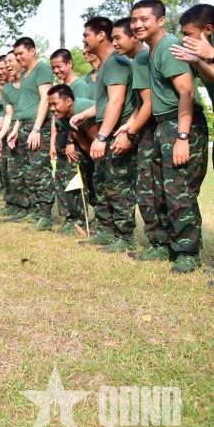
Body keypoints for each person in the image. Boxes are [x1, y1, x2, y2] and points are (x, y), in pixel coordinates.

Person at [131, 0, 208, 274]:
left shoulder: (169, 46)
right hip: (164, 124)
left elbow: (186, 93)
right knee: (161, 189)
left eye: (144, 19)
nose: (137, 24)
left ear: (161, 21)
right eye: (134, 20)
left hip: (181, 122)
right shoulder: (151, 52)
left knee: (179, 189)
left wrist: (183, 136)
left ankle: (187, 252)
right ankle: (164, 243)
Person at [74, 17, 137, 252]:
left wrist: (101, 136)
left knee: (117, 186)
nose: (83, 39)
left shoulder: (116, 62)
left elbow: (117, 100)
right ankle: (107, 230)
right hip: (107, 131)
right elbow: (104, 102)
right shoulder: (103, 65)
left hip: (116, 132)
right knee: (101, 183)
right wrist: (86, 114)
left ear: (101, 35)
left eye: (86, 35)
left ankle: (125, 237)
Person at [112, 18, 160, 259]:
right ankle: (161, 244)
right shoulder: (138, 59)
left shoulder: (141, 58)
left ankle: (164, 245)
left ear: (133, 36)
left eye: (118, 37)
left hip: (156, 130)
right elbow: (141, 105)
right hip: (148, 128)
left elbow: (149, 104)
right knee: (149, 189)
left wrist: (130, 131)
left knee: (151, 189)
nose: (114, 43)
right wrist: (128, 125)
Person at [10, 37, 55, 231]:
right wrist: (15, 129)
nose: (18, 57)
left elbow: (46, 98)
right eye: (16, 54)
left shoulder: (41, 69)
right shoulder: (25, 74)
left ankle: (45, 215)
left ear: (32, 51)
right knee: (29, 173)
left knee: (40, 172)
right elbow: (23, 105)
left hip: (38, 128)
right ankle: (36, 210)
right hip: (24, 127)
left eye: (21, 53)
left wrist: (37, 129)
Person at [48, 49, 90, 235]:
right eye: (53, 68)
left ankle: (79, 217)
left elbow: (78, 118)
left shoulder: (78, 86)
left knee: (74, 179)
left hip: (76, 139)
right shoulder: (58, 90)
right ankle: (70, 217)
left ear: (70, 64)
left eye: (59, 66)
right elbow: (56, 120)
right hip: (64, 137)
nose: (56, 71)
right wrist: (53, 143)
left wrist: (72, 141)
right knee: (62, 179)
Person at [0, 51, 27, 218]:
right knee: (11, 169)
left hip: (29, 128)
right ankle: (16, 203)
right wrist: (0, 136)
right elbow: (9, 114)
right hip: (12, 131)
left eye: (10, 61)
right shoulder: (6, 89)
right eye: (5, 62)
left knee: (29, 171)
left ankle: (33, 208)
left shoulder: (30, 83)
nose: (7, 66)